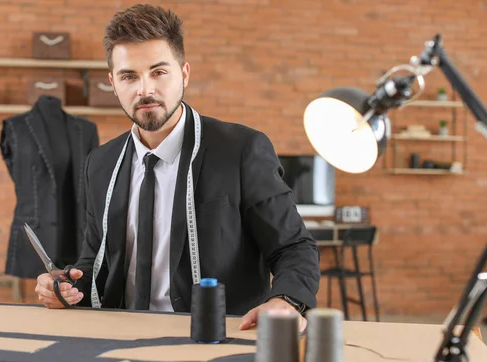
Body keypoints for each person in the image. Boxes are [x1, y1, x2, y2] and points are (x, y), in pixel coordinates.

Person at [35, 3, 320, 332]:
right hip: (118, 336)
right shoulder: (100, 163)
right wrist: (66, 288)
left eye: (158, 72)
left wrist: (284, 300)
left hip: (219, 336)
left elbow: (294, 247)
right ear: (113, 83)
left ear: (184, 73)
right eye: (130, 76)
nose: (145, 90)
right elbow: (94, 262)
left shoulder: (241, 149)